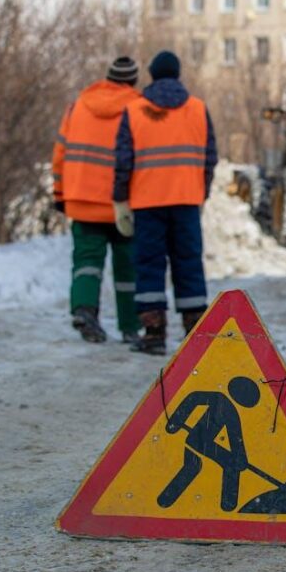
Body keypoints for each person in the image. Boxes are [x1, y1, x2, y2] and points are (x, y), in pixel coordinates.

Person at [113, 51, 217, 356]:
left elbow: (123, 161)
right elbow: (210, 158)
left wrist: (120, 199)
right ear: (178, 73)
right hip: (186, 199)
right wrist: (202, 193)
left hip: (147, 202)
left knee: (148, 265)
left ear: (153, 74)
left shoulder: (134, 111)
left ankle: (154, 333)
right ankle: (195, 332)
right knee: (189, 263)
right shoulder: (197, 109)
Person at [51, 57, 142, 344]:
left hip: (82, 198)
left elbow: (60, 153)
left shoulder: (78, 106)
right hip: (123, 204)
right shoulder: (139, 108)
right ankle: (130, 326)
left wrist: (59, 192)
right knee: (128, 266)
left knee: (86, 262)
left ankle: (85, 311)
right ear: (133, 81)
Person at [157, 377, 260, 512]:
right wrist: (175, 422)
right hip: (199, 441)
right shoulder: (224, 405)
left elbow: (235, 439)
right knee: (228, 465)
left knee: (193, 467)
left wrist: (176, 422)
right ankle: (228, 503)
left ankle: (164, 500)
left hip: (196, 440)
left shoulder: (225, 405)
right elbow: (193, 398)